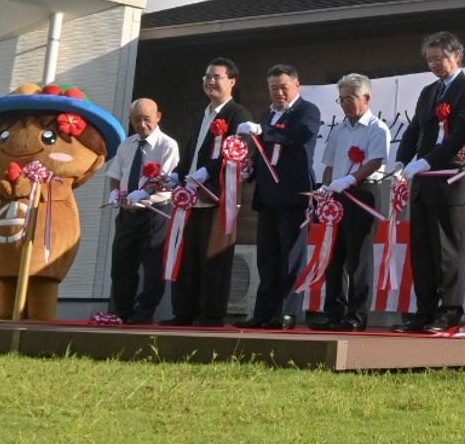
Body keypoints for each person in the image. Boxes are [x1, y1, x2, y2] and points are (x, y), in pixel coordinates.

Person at [394, 32, 465, 332]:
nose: (434, 64)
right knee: (422, 249)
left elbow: (461, 134)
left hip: (451, 180)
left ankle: (449, 310)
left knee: (448, 250)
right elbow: (415, 130)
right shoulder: (429, 91)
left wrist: (427, 161)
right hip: (423, 183)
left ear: (457, 56)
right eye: (430, 60)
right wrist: (402, 160)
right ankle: (425, 309)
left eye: (440, 58)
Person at [165, 57, 254, 327]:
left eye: (217, 76)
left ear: (232, 82)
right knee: (187, 256)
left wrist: (207, 172)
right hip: (190, 197)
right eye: (207, 76)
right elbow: (190, 153)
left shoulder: (238, 115)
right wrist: (176, 175)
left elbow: (238, 152)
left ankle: (211, 315)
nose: (210, 81)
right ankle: (184, 312)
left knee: (214, 258)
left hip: (218, 198)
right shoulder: (199, 115)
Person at [238, 64, 322, 330]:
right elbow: (263, 151)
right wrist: (249, 169)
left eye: (283, 87)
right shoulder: (268, 114)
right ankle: (264, 311)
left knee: (291, 256)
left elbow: (299, 136)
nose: (278, 93)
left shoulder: (307, 110)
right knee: (267, 257)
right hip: (267, 195)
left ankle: (287, 312)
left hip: (294, 194)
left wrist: (263, 131)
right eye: (273, 88)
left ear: (297, 85)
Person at [313, 73, 390, 331]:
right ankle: (334, 313)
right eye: (342, 99)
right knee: (334, 256)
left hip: (363, 193)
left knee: (359, 257)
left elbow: (375, 161)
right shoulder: (338, 129)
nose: (345, 103)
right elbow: (329, 164)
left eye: (351, 98)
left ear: (366, 98)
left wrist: (350, 179)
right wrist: (326, 187)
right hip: (337, 195)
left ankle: (356, 316)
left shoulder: (377, 128)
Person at [104, 98, 179, 323]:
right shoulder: (127, 144)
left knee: (153, 267)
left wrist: (143, 194)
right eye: (136, 120)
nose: (142, 124)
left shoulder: (167, 145)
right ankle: (121, 312)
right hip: (127, 213)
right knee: (122, 264)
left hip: (155, 211)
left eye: (147, 119)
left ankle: (144, 314)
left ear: (158, 117)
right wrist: (115, 193)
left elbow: (165, 179)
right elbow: (115, 174)